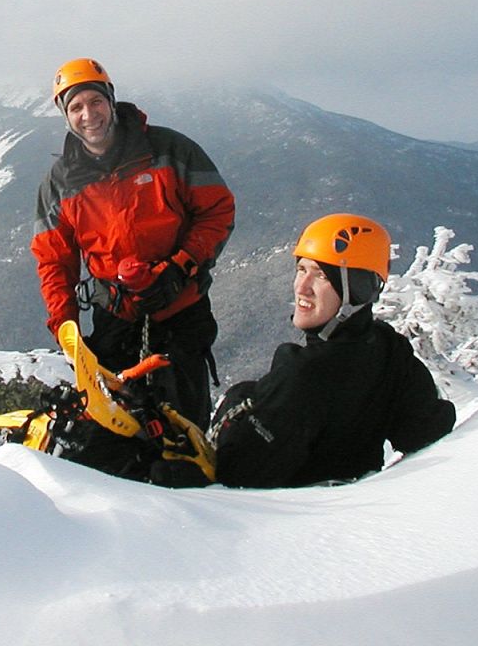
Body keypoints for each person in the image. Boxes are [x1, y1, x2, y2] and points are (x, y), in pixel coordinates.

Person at [30, 58, 235, 431]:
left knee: (183, 428)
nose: (88, 114)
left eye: (95, 102)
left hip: (180, 308)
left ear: (111, 100)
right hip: (116, 317)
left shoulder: (169, 150)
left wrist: (179, 267)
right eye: (75, 107)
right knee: (118, 428)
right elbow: (53, 260)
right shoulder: (61, 183)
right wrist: (66, 326)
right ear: (65, 115)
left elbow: (217, 211)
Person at [210, 213, 455, 488]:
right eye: (301, 270)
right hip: (352, 513)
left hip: (292, 523)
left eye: (321, 276)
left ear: (357, 291)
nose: (301, 288)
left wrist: (238, 401)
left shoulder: (302, 375)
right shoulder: (388, 349)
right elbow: (424, 429)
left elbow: (236, 475)